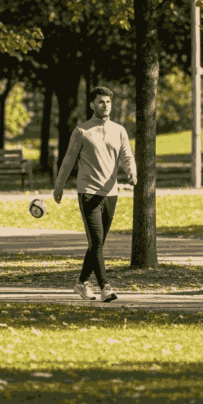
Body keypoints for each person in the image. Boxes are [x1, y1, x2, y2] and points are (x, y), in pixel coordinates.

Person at [53, 86, 136, 302]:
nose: (105, 105)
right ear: (92, 105)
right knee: (97, 240)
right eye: (101, 102)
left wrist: (132, 174)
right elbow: (69, 160)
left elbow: (127, 156)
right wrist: (59, 185)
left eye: (108, 102)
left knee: (97, 243)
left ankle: (81, 284)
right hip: (88, 192)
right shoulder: (82, 131)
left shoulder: (119, 130)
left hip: (111, 193)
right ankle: (105, 287)